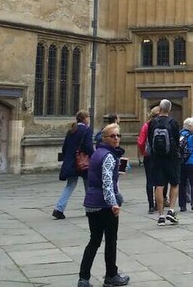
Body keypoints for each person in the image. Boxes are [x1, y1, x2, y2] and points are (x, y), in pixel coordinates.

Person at [77, 123, 129, 287]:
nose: (116, 139)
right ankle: (111, 275)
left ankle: (83, 278)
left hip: (91, 202)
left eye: (118, 136)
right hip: (104, 204)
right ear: (105, 138)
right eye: (113, 136)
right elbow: (107, 183)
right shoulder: (108, 156)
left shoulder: (98, 153)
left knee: (94, 241)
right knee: (111, 240)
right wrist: (113, 203)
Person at [54, 111, 95, 220]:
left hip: (71, 162)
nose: (89, 119)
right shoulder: (87, 130)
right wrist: (94, 158)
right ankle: (90, 209)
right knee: (88, 186)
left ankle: (59, 209)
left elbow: (65, 147)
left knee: (70, 185)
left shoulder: (72, 130)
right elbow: (88, 147)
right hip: (84, 163)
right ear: (85, 118)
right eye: (88, 117)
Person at [147, 99, 181, 226]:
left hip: (156, 158)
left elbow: (150, 140)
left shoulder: (152, 123)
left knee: (159, 186)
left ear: (159, 109)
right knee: (174, 184)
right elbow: (177, 141)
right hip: (171, 158)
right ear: (169, 110)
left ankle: (161, 215)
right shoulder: (173, 123)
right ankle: (171, 210)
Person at [136, 107, 164, 214]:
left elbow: (141, 142)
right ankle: (159, 203)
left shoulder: (146, 125)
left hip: (149, 156)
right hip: (161, 155)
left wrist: (144, 153)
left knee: (150, 181)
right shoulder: (164, 124)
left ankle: (151, 206)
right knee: (161, 180)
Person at [178, 117, 193, 213]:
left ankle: (182, 206)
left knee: (182, 184)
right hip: (192, 163)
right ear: (189, 126)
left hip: (181, 163)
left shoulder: (179, 135)